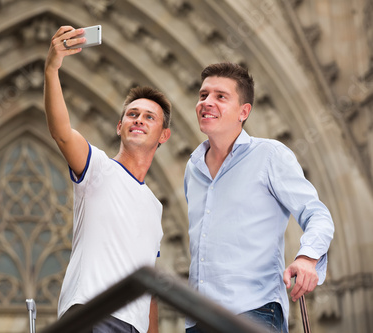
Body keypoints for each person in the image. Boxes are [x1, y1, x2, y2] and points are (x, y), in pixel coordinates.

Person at [184, 62, 334, 333]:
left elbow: (318, 215)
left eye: (220, 96)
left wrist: (307, 258)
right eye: (203, 95)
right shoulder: (193, 168)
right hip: (198, 319)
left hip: (253, 313)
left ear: (244, 111)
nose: (206, 102)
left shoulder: (269, 155)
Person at [44, 26, 172, 333]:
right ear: (119, 126)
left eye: (149, 117)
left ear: (164, 136)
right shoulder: (97, 168)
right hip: (92, 314)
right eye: (132, 114)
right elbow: (61, 132)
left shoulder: (155, 207)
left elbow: (149, 285)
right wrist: (52, 69)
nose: (139, 119)